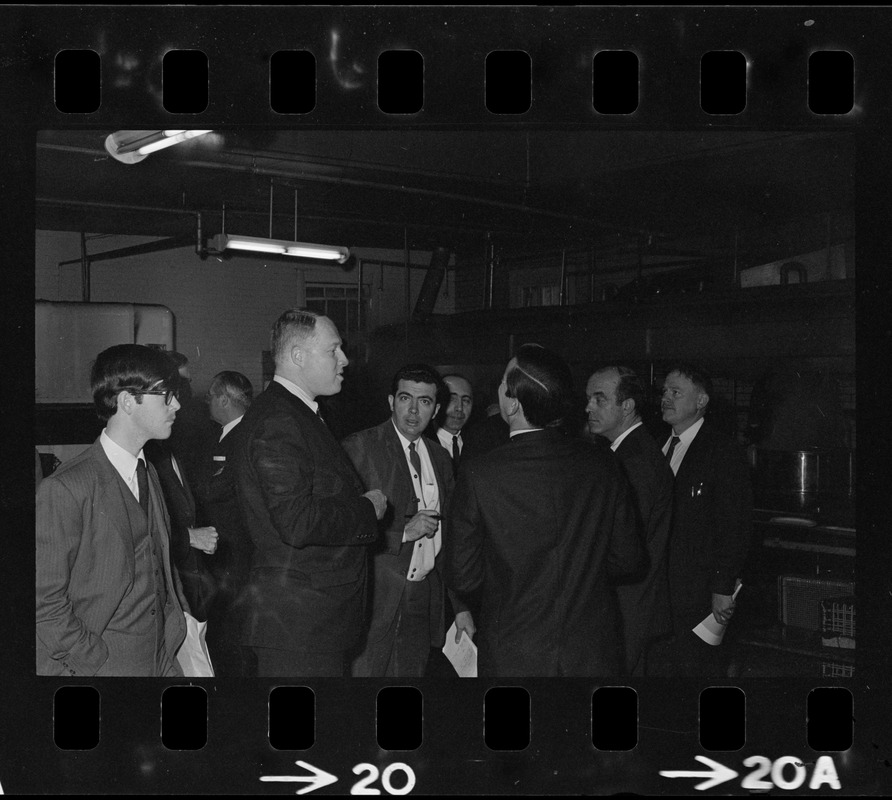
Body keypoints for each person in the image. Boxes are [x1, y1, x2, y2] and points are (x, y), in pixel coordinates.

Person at [445, 344, 643, 677]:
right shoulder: (603, 463)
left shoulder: (481, 473)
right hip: (592, 652)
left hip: (514, 653)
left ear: (512, 402)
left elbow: (462, 576)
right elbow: (629, 559)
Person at [232, 309, 387, 677]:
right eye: (333, 350)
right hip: (299, 626)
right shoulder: (279, 422)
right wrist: (367, 509)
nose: (345, 360)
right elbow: (297, 522)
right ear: (298, 356)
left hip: (306, 623)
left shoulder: (293, 414)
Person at [36, 344, 189, 676]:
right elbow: (43, 603)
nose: (176, 404)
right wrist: (95, 660)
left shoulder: (148, 474)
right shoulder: (65, 488)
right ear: (127, 401)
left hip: (159, 660)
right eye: (165, 394)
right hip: (100, 668)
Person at [342, 364, 473, 677]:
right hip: (375, 601)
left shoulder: (439, 457)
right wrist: (402, 532)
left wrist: (460, 605)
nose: (413, 410)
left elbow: (451, 538)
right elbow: (342, 528)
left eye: (424, 402)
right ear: (391, 401)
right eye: (405, 398)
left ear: (436, 409)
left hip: (422, 599)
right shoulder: (360, 447)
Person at [649, 363, 753, 677]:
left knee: (696, 671)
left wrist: (723, 587)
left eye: (676, 392)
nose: (666, 398)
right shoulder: (658, 446)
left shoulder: (722, 452)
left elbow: (734, 524)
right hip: (660, 592)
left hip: (698, 593)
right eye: (665, 391)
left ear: (701, 401)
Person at [586, 366, 674, 676]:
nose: (588, 407)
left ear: (627, 406)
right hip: (630, 605)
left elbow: (623, 545)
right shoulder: (625, 452)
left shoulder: (634, 461)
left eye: (599, 399)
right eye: (588, 399)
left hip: (628, 608)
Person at [196, 370, 255, 676]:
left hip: (235, 552)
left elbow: (214, 490)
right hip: (224, 552)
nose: (207, 403)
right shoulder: (226, 435)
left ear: (223, 399)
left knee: (234, 635)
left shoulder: (242, 438)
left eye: (210, 397)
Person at [430, 374, 474, 477]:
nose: (459, 408)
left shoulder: (477, 444)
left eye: (466, 400)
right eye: (451, 399)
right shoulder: (424, 442)